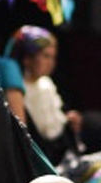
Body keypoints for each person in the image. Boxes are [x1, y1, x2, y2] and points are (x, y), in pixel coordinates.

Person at [9, 25, 84, 164]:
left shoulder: (47, 84)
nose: (51, 63)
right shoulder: (16, 89)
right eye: (45, 56)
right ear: (27, 58)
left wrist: (68, 122)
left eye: (53, 57)